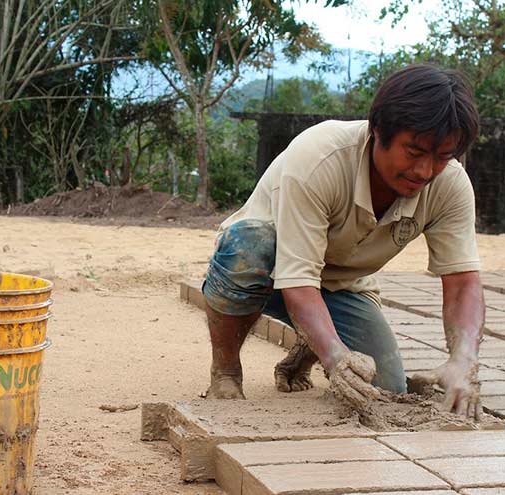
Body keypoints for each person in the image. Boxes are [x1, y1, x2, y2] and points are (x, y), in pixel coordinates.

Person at [202, 64, 485, 419]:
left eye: (442, 157)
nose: (424, 171)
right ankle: (226, 372)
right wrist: (335, 358)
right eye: (413, 152)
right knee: (248, 247)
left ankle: (312, 343)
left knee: (385, 386)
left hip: (341, 286)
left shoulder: (451, 185)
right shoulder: (319, 159)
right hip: (270, 268)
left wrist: (463, 360)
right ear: (377, 130)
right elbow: (299, 280)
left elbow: (462, 283)